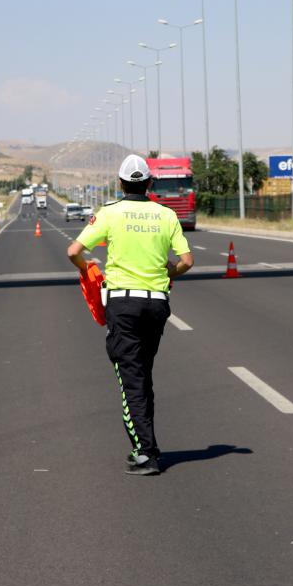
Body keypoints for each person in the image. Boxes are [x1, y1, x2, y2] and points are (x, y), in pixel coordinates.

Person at [67, 154, 194, 475]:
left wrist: (88, 268)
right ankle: (146, 444)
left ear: (121, 184)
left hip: (123, 305)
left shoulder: (110, 213)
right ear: (150, 183)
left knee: (130, 378)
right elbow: (187, 261)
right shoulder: (165, 215)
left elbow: (74, 251)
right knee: (142, 374)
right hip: (156, 305)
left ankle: (145, 453)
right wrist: (170, 271)